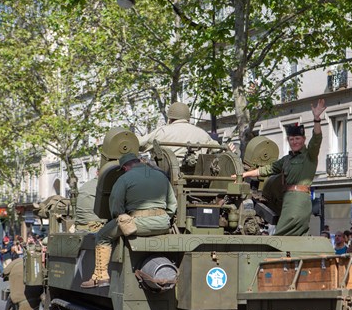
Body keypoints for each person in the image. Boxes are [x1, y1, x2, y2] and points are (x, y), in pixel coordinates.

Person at [82, 153, 177, 289]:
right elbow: (172, 204)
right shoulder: (161, 176)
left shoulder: (125, 178)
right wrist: (162, 218)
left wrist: (123, 216)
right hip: (163, 224)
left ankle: (100, 277)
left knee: (102, 235)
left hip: (138, 225)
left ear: (125, 167)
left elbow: (116, 207)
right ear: (139, 161)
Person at [237, 99, 326, 236]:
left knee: (281, 236)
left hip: (298, 200)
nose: (294, 142)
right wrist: (244, 174)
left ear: (303, 139)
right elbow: (267, 169)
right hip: (287, 200)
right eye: (291, 139)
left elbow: (317, 139)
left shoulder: (309, 156)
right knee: (292, 238)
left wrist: (316, 120)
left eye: (297, 138)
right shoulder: (286, 159)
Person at [139, 102, 219, 158]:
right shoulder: (203, 133)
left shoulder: (162, 132)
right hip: (199, 178)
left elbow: (139, 144)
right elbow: (217, 149)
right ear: (188, 118)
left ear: (169, 118)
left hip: (167, 177)